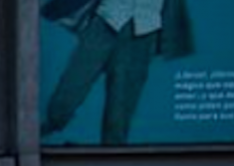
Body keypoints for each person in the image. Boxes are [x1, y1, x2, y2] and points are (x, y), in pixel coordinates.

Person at [41, 0, 194, 146]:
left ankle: (112, 151)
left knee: (121, 104)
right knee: (74, 80)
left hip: (143, 33)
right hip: (105, 23)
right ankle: (51, 124)